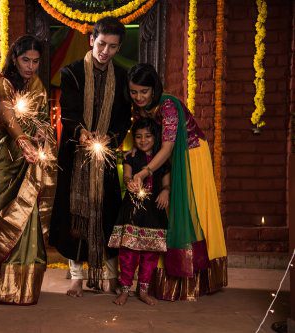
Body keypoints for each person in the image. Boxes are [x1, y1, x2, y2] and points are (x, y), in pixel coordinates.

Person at [127, 63, 227, 301]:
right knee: (167, 211)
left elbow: (168, 145)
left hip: (191, 156)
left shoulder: (168, 106)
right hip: (169, 158)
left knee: (192, 211)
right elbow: (148, 137)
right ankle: (162, 273)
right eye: (134, 92)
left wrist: (143, 172)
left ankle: (193, 275)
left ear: (154, 89)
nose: (139, 97)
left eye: (144, 91)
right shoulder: (143, 109)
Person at [49, 16, 132, 297]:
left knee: (107, 210)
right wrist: (83, 134)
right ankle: (76, 277)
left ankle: (109, 275)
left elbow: (124, 119)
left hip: (105, 155)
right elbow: (69, 111)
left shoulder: (122, 77)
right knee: (76, 212)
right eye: (101, 44)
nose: (104, 51)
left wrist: (110, 138)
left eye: (112, 46)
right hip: (76, 152)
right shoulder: (72, 72)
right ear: (91, 40)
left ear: (119, 49)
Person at [0, 35, 57, 305]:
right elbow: (6, 114)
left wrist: (39, 136)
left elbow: (42, 121)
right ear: (14, 57)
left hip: (28, 159)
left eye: (36, 61)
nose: (31, 66)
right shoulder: (1, 82)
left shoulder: (37, 85)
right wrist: (21, 139)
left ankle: (24, 287)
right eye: (26, 60)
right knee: (3, 213)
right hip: (3, 154)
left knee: (28, 215)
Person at [108, 117, 170, 306]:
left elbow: (166, 182)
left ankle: (143, 290)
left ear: (156, 137)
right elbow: (127, 176)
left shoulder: (162, 158)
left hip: (154, 211)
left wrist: (166, 191)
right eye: (139, 137)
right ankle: (125, 289)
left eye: (148, 136)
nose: (143, 140)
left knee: (150, 253)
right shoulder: (131, 157)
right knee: (128, 252)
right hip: (132, 211)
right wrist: (130, 183)